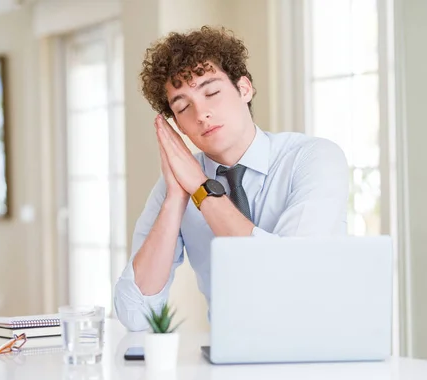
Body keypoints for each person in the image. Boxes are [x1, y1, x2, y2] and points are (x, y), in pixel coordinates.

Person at [114, 26, 349, 331]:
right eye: (183, 107)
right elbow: (135, 314)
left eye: (211, 92)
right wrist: (176, 198)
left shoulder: (314, 158)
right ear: (179, 127)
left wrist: (202, 190)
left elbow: (289, 279)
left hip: (319, 353)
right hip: (227, 360)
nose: (201, 114)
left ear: (244, 89)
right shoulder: (176, 186)